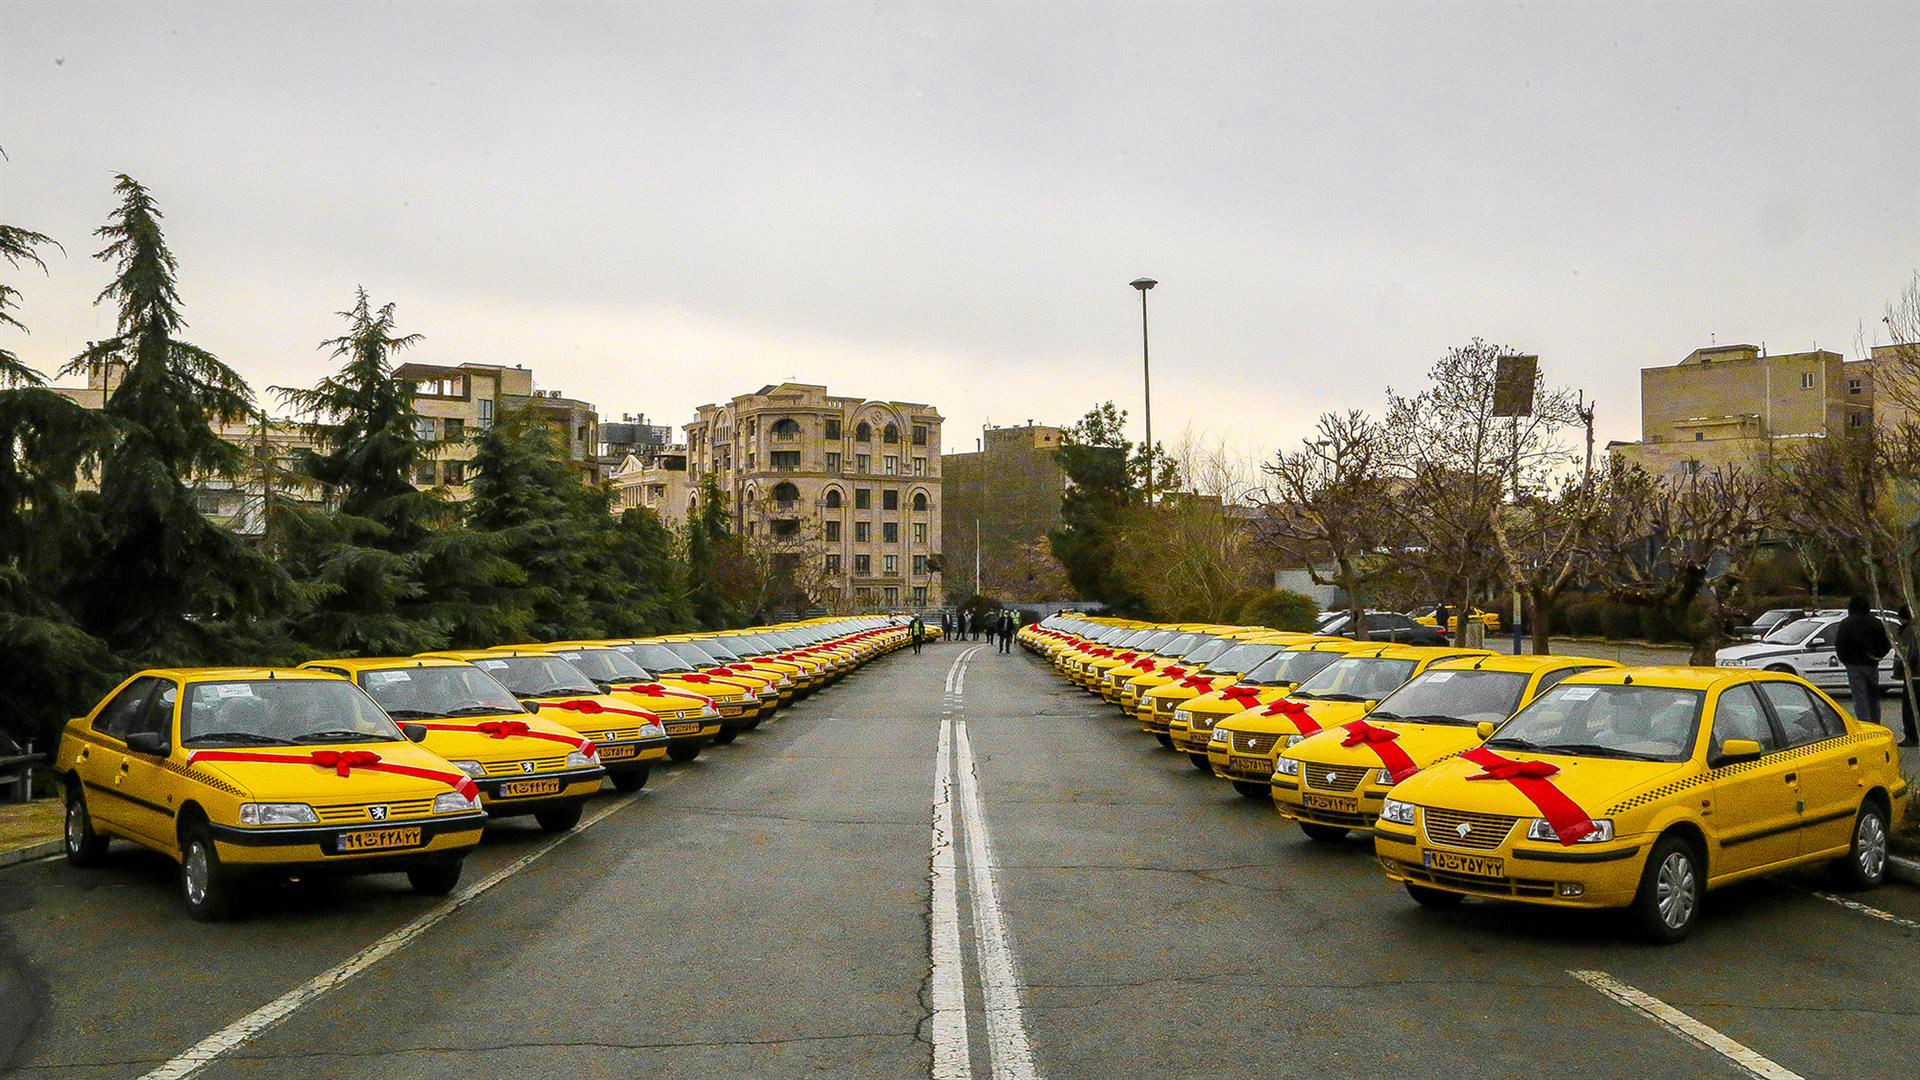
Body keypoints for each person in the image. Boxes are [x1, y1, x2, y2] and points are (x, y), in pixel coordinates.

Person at [1834, 594, 1891, 728]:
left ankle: (1865, 724)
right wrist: (1877, 656)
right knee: (1873, 696)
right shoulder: (1875, 622)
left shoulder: (1846, 623)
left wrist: (1846, 660)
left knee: (1859, 697)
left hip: (1853, 665)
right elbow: (1885, 644)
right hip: (1871, 664)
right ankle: (1876, 723)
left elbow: (1840, 644)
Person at [1897, 606, 1920, 746]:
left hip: (1914, 675)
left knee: (1909, 708)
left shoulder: (1908, 631)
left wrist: (1901, 667)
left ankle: (1911, 736)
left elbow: (1908, 654)